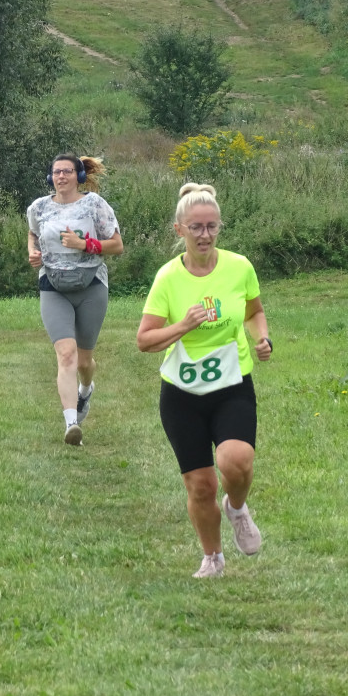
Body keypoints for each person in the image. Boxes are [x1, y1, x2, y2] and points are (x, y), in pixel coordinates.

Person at [136, 183, 272, 578]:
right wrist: (183, 325)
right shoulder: (167, 279)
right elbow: (144, 340)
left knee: (237, 461)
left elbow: (254, 311)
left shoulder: (239, 267)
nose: (205, 235)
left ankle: (237, 508)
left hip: (232, 385)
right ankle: (212, 557)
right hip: (181, 393)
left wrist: (261, 337)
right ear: (179, 230)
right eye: (195, 227)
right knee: (200, 486)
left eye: (212, 227)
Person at [27, 153, 124, 445]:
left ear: (79, 176)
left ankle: (85, 389)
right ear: (50, 177)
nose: (61, 177)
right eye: (56, 172)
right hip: (53, 285)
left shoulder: (94, 204)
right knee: (66, 354)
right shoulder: (39, 207)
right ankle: (71, 423)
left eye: (68, 172)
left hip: (91, 284)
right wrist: (32, 253)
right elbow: (32, 233)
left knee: (83, 360)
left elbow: (117, 246)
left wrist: (85, 244)